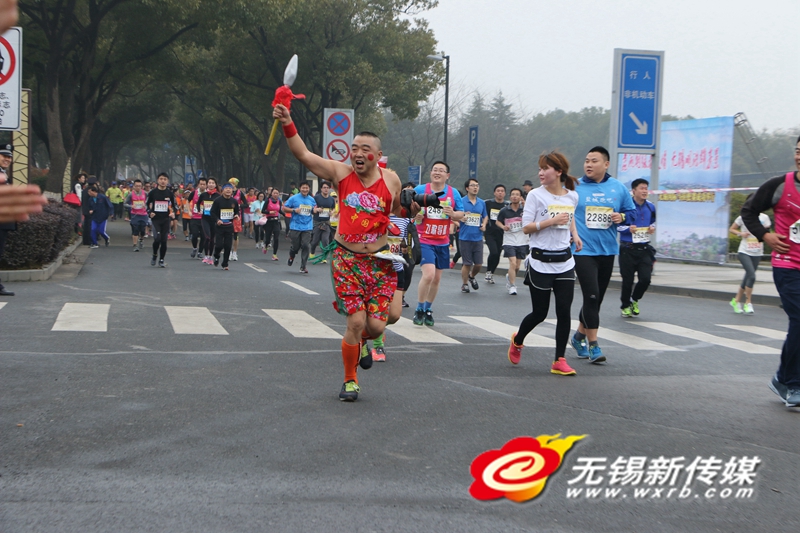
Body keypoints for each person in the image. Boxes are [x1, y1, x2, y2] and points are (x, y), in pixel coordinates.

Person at [274, 102, 408, 402]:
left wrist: (410, 218)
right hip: (347, 260)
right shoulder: (341, 173)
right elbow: (304, 155)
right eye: (354, 148)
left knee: (381, 323)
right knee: (356, 322)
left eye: (365, 149)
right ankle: (350, 380)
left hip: (381, 260)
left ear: (377, 155)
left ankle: (362, 342)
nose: (358, 153)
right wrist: (287, 122)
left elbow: (397, 209)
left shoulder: (391, 179)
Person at [508, 152, 582, 375]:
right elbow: (526, 227)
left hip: (565, 261)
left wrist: (575, 235)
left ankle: (559, 359)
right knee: (539, 313)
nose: (540, 173)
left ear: (558, 172)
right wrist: (550, 222)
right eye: (540, 169)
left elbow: (569, 218)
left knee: (564, 312)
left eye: (546, 169)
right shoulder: (535, 196)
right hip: (540, 261)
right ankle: (518, 339)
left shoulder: (572, 196)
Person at [740, 135, 800, 407]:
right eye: (798, 151)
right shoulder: (779, 186)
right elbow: (748, 210)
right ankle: (794, 385)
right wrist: (766, 235)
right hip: (787, 265)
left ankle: (781, 379)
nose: (799, 156)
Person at [570, 146, 636, 364]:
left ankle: (579, 336)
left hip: (607, 250)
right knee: (590, 295)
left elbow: (632, 213)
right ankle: (594, 345)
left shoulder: (618, 188)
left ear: (606, 164)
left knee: (596, 299)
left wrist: (622, 217)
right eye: (586, 160)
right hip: (583, 250)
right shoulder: (575, 187)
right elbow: (563, 212)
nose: (588, 164)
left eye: (594, 161)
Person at [412, 161, 464, 326]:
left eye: (441, 171)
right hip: (424, 238)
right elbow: (408, 207)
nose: (437, 173)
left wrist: (453, 213)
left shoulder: (453, 193)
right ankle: (419, 308)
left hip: (442, 241)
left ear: (447, 175)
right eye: (435, 170)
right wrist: (416, 216)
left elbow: (461, 214)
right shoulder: (421, 190)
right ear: (430, 173)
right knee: (428, 275)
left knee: (436, 279)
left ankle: (428, 308)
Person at [618, 178, 657, 318]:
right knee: (627, 281)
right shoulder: (626, 207)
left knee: (645, 279)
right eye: (641, 188)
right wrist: (629, 229)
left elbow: (653, 222)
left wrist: (652, 228)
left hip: (644, 248)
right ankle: (625, 306)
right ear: (633, 191)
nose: (644, 191)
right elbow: (617, 226)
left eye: (646, 188)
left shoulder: (651, 207)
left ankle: (634, 300)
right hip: (628, 248)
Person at [729, 203, 771, 314]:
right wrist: (740, 233)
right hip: (744, 251)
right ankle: (748, 303)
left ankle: (736, 300)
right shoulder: (743, 217)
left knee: (747, 277)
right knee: (752, 275)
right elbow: (732, 229)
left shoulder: (764, 218)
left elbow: (768, 232)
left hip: (757, 251)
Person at [459, 178, 488, 293]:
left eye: (477, 185)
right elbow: (455, 216)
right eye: (472, 185)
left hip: (478, 237)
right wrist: (462, 217)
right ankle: (465, 284)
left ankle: (471, 276)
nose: (475, 187)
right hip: (465, 237)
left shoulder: (482, 202)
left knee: (479, 264)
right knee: (467, 263)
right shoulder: (461, 201)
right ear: (467, 188)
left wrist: (484, 225)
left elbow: (485, 216)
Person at [496, 188, 527, 295]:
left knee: (517, 266)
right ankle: (512, 285)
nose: (514, 196)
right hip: (509, 240)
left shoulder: (525, 210)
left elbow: (533, 218)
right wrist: (503, 227)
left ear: (520, 197)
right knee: (513, 263)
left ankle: (510, 277)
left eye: (517, 194)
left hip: (522, 241)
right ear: (510, 197)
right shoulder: (505, 210)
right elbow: (498, 221)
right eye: (512, 194)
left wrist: (526, 205)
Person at [282, 181, 316, 273]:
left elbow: (313, 210)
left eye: (307, 188)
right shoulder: (293, 198)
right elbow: (284, 208)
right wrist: (294, 210)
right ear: (300, 188)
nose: (305, 189)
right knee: (295, 246)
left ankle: (303, 266)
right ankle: (292, 255)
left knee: (305, 245)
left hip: (307, 226)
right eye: (303, 188)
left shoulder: (312, 199)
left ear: (309, 189)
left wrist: (316, 210)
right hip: (295, 226)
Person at [146, 172, 176, 267]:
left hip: (166, 219)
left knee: (164, 240)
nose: (163, 181)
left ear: (167, 181)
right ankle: (155, 255)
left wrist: (173, 213)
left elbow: (175, 206)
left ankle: (162, 259)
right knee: (157, 239)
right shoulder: (153, 193)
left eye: (165, 179)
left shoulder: (169, 193)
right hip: (156, 219)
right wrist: (150, 212)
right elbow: (146, 204)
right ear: (158, 180)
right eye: (161, 179)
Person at [210, 183, 240, 270]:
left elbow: (237, 211)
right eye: (226, 188)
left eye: (230, 189)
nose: (228, 190)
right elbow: (212, 212)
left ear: (232, 191)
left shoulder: (234, 201)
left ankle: (225, 263)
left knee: (228, 246)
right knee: (219, 245)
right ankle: (216, 255)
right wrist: (217, 220)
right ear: (222, 190)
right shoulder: (217, 201)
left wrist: (237, 215)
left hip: (229, 226)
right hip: (220, 226)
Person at [483, 184, 507, 284]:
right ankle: (488, 271)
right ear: (494, 193)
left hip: (501, 233)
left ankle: (491, 273)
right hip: (490, 232)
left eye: (502, 191)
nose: (500, 192)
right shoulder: (488, 203)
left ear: (505, 193)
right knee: (494, 252)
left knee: (498, 254)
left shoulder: (506, 206)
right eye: (498, 191)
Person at [310, 181, 336, 261]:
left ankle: (324, 256)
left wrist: (332, 212)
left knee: (325, 240)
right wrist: (317, 209)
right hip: (317, 222)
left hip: (326, 223)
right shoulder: (316, 198)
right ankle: (312, 252)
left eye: (327, 188)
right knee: (315, 241)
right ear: (321, 189)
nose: (326, 189)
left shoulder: (331, 199)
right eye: (324, 187)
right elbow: (312, 208)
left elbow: (333, 208)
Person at [197, 178, 220, 264]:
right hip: (205, 218)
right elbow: (198, 203)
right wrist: (199, 210)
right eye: (209, 183)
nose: (210, 184)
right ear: (207, 184)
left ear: (215, 184)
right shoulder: (203, 195)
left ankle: (210, 256)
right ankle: (206, 255)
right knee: (207, 237)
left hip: (214, 219)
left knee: (212, 238)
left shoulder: (218, 196)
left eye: (212, 183)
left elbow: (220, 206)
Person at [124, 179, 148, 251]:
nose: (138, 187)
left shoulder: (145, 193)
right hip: (135, 215)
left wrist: (145, 205)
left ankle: (141, 240)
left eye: (139, 186)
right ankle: (135, 245)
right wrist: (131, 206)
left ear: (142, 187)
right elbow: (125, 203)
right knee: (135, 229)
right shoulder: (131, 194)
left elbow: (149, 201)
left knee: (143, 230)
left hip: (143, 214)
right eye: (136, 186)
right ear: (134, 186)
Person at [187, 178, 207, 258]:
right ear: (198, 184)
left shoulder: (208, 194)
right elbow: (188, 201)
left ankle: (200, 252)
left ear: (206, 185)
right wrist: (189, 211)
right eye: (201, 184)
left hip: (204, 218)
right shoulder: (194, 193)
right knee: (194, 235)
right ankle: (195, 248)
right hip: (194, 217)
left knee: (203, 236)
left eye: (204, 184)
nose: (202, 186)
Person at [262, 188, 283, 261]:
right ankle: (266, 245)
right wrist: (269, 212)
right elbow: (263, 211)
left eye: (277, 193)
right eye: (274, 193)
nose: (275, 195)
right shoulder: (268, 200)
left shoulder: (279, 201)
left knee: (276, 238)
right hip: (269, 221)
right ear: (271, 194)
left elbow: (279, 210)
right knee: (268, 238)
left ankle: (274, 254)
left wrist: (286, 214)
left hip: (276, 221)